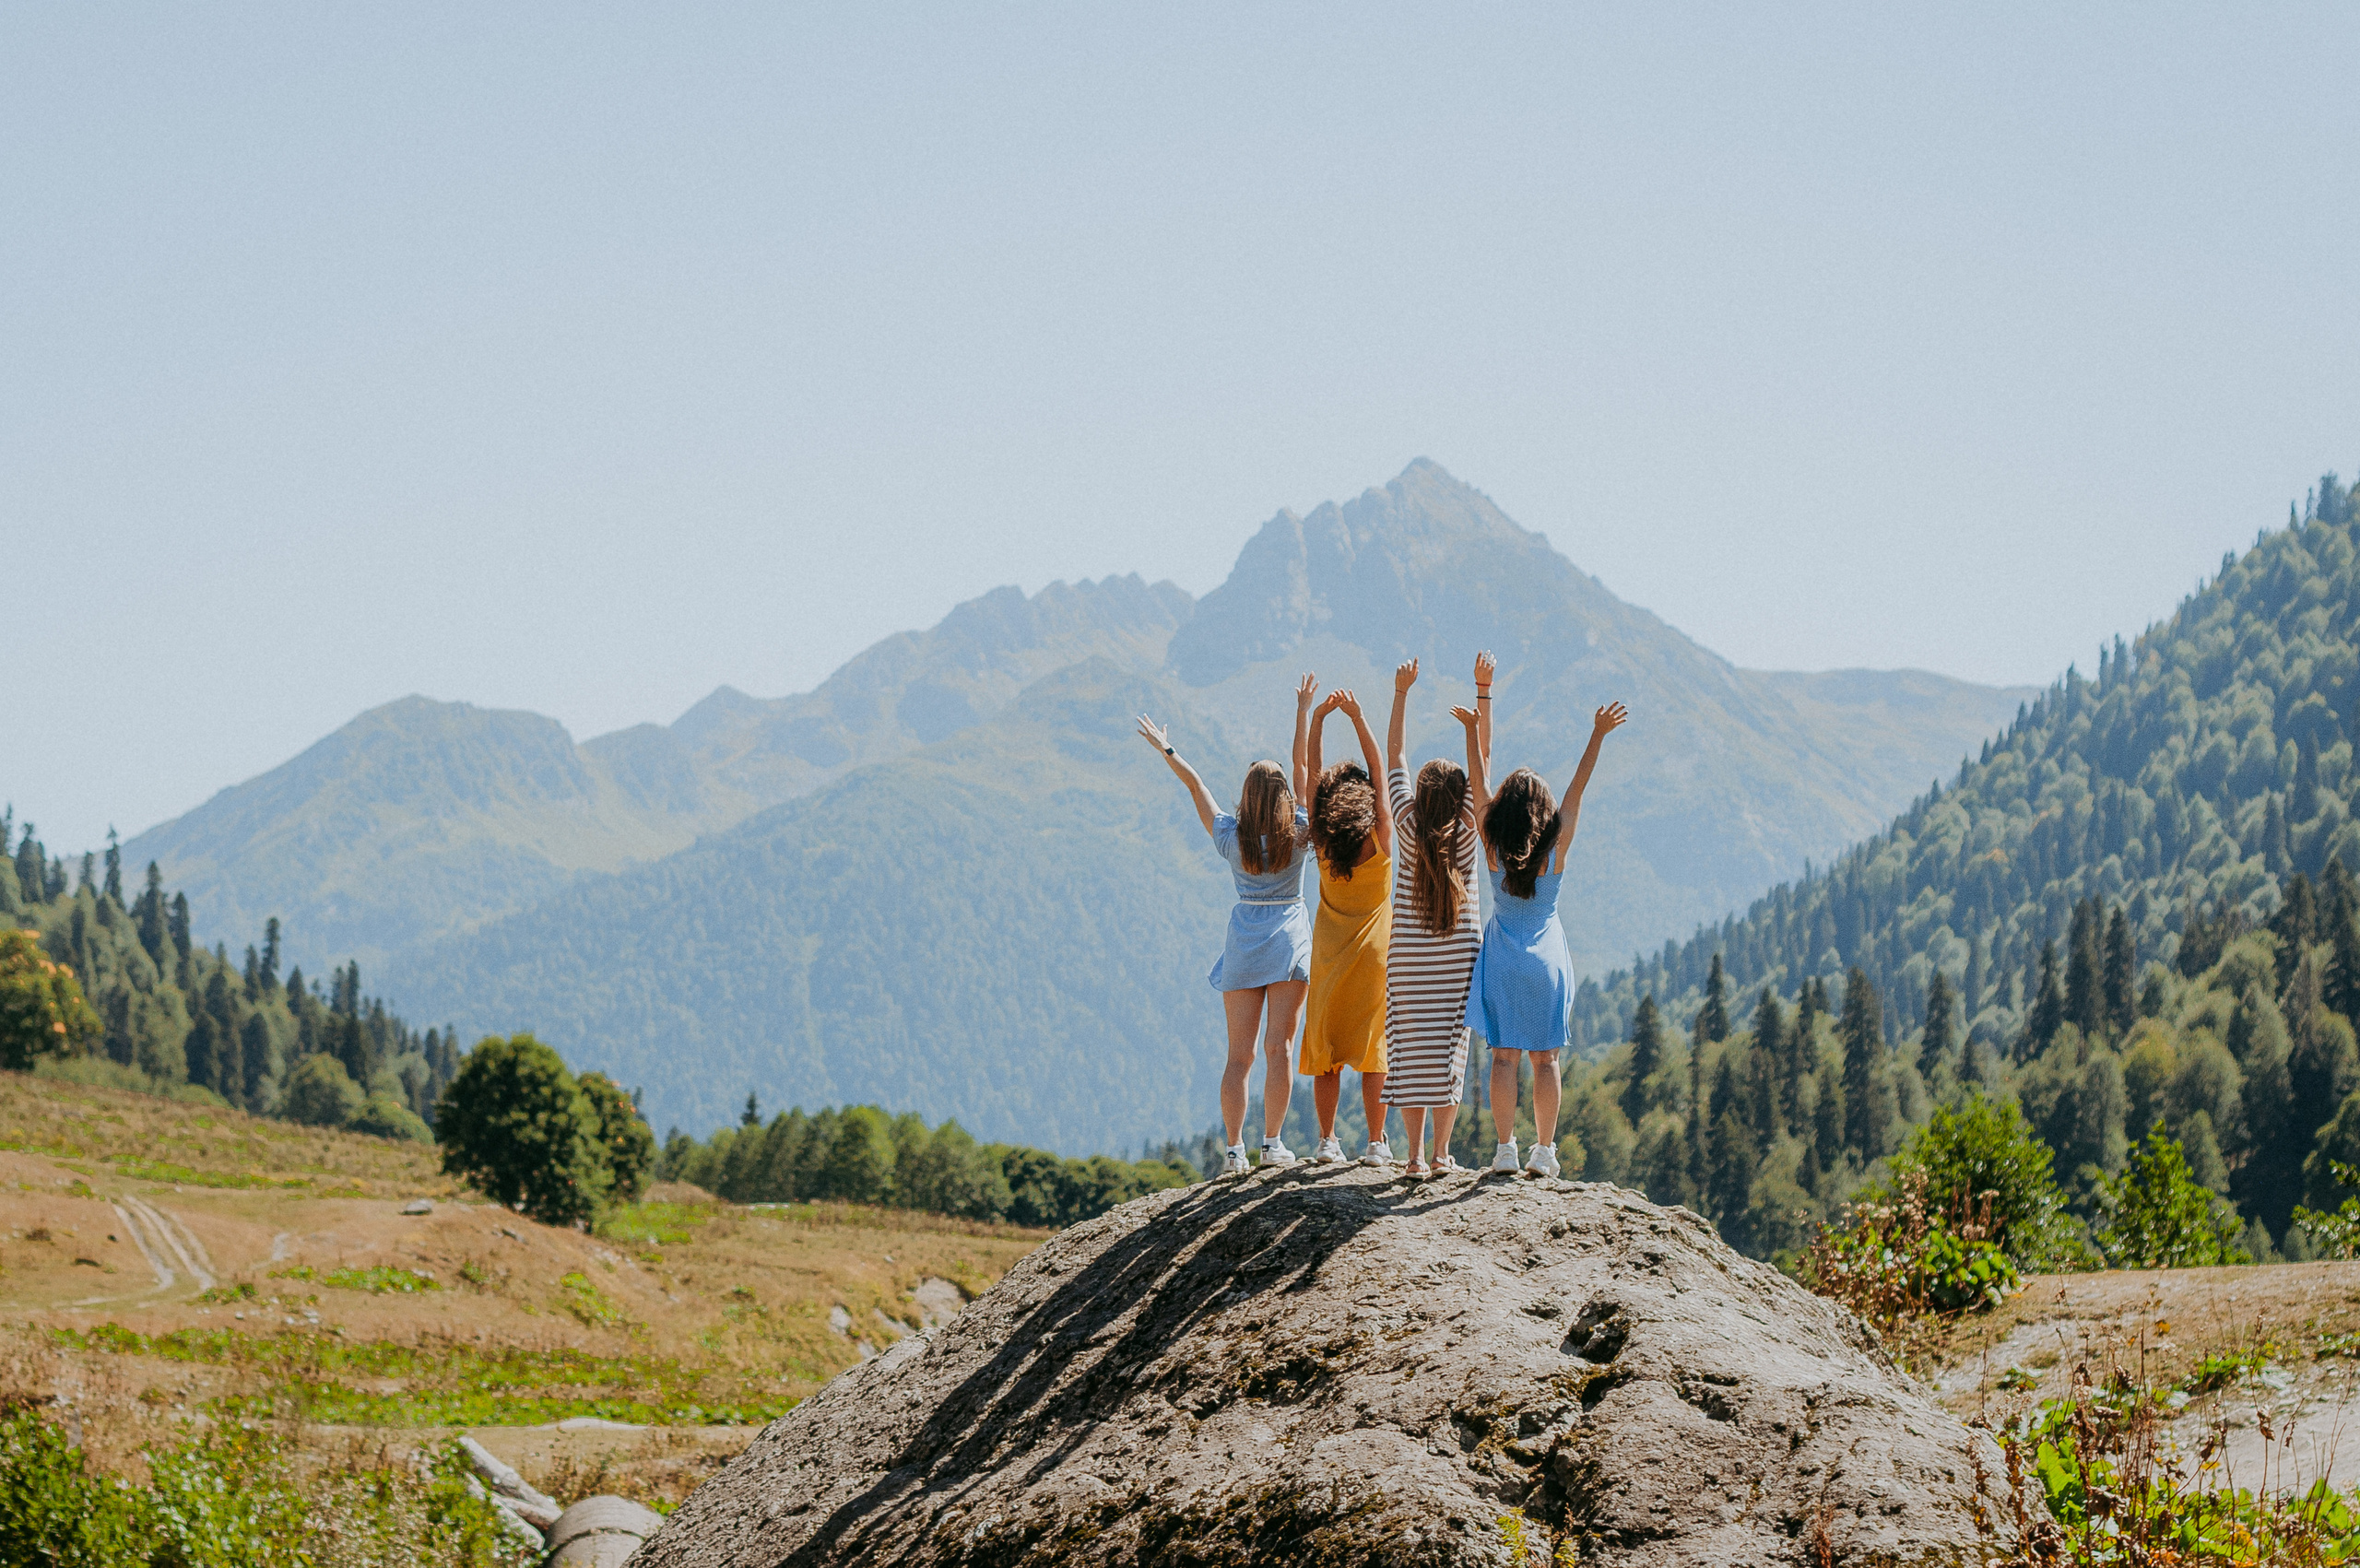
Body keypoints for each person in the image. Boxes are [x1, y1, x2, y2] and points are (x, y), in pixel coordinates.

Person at [1137, 675, 1318, 1174]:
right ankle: (1273, 1143)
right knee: (1279, 1047)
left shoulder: (1229, 839)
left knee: (1238, 1057)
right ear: (1282, 796)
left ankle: (1235, 1151)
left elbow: (1197, 786)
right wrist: (1303, 710)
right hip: (1288, 944)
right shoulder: (1300, 834)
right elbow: (1303, 769)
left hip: (1243, 945)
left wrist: (1168, 748)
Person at [1471, 695, 1629, 1177]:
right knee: (1546, 1060)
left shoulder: (1493, 846)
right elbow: (1578, 790)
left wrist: (1470, 734)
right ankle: (1544, 1152)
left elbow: (1478, 786)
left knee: (1503, 1060)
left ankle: (1504, 1150)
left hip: (1502, 958)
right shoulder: (1556, 849)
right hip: (1546, 961)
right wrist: (1597, 735)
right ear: (1544, 813)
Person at [1382, 653, 1492, 1177]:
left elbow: (1394, 756)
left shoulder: (1405, 825)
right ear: (1460, 800)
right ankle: (1444, 1154)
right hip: (1458, 957)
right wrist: (1481, 694)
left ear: (1421, 798)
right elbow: (1483, 766)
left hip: (1408, 955)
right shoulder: (1470, 830)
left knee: (1409, 1048)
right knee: (1451, 1050)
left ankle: (1413, 1158)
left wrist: (1401, 693)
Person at [1300, 685, 1394, 1164]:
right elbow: (1379, 770)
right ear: (1368, 800)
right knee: (1373, 1050)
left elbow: (1311, 778)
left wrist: (1317, 720)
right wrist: (1358, 717)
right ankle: (1377, 1144)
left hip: (1330, 956)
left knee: (1328, 1052)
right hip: (1376, 958)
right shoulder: (1380, 843)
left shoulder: (1321, 843)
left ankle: (1327, 1140)